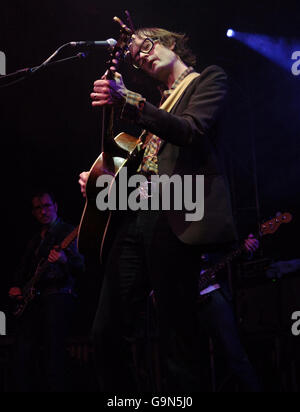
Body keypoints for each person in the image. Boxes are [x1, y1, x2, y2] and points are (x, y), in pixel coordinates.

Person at [79, 27, 260, 391]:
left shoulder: (206, 80)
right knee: (105, 333)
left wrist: (130, 102)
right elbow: (137, 169)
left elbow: (191, 130)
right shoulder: (156, 105)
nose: (141, 56)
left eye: (146, 46)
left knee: (179, 338)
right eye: (134, 57)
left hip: (177, 213)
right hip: (135, 220)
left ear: (171, 44)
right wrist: (101, 180)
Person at [9, 191, 85, 392]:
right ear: (33, 213)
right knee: (23, 352)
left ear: (56, 207)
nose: (43, 211)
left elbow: (81, 267)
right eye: (38, 208)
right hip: (35, 301)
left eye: (47, 206)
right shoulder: (35, 240)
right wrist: (17, 286)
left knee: (54, 354)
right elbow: (23, 270)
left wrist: (64, 260)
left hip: (59, 296)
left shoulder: (68, 232)